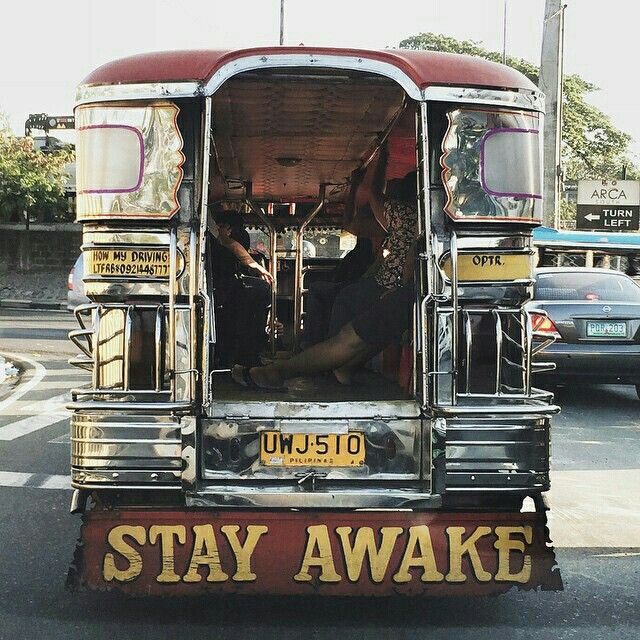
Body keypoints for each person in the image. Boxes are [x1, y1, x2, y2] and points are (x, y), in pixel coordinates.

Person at [207, 207, 273, 367]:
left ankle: (254, 346)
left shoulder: (215, 233)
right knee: (260, 289)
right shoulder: (217, 237)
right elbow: (227, 242)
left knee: (258, 289)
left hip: (221, 284)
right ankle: (251, 351)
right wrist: (255, 265)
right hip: (221, 286)